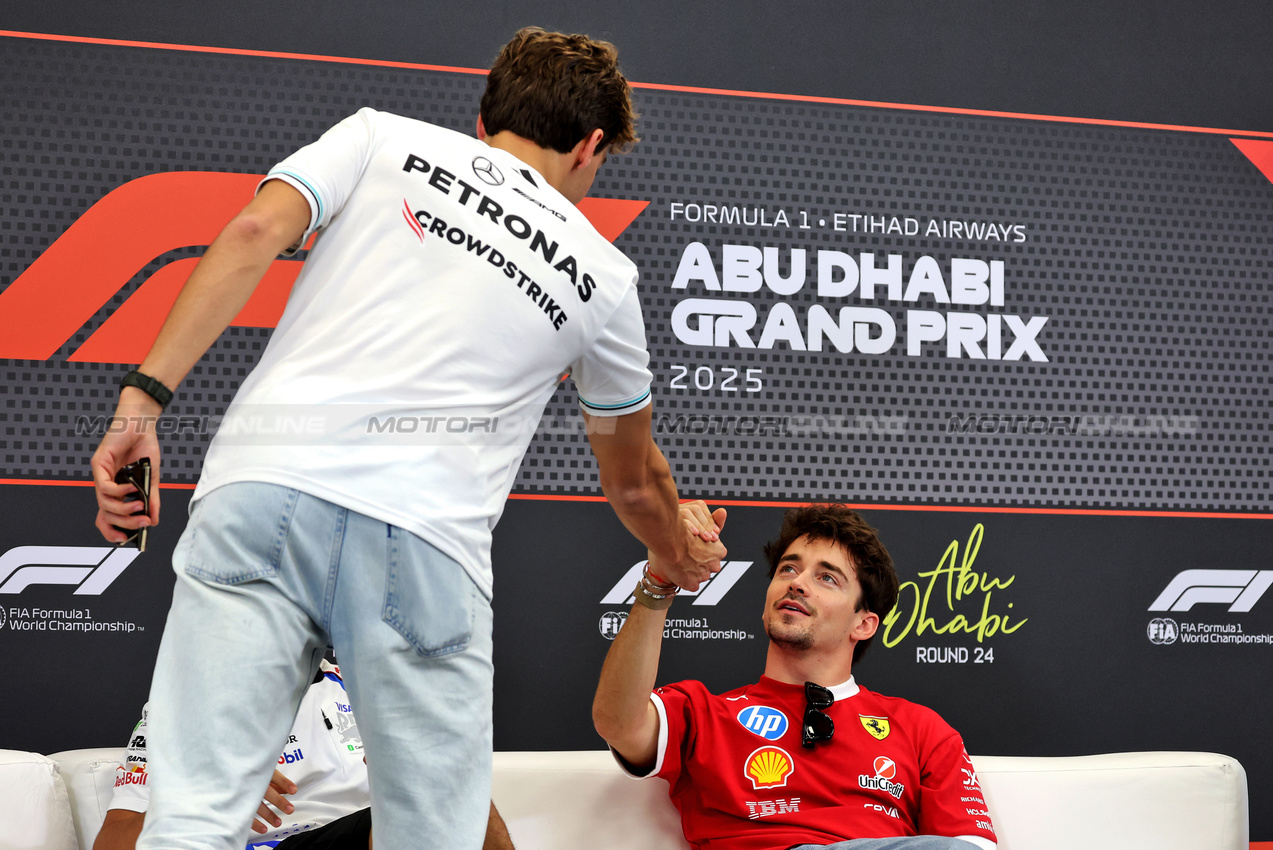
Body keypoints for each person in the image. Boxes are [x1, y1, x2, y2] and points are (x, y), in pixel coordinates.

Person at [90, 27, 725, 850]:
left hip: (258, 490)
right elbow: (633, 480)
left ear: (482, 117)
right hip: (423, 543)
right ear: (591, 144)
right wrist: (674, 549)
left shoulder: (380, 136)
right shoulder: (601, 277)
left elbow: (251, 234)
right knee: (433, 838)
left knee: (192, 816)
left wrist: (140, 405)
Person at [593, 502, 997, 850]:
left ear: (864, 624)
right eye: (788, 569)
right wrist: (661, 580)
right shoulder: (704, 713)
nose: (797, 583)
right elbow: (617, 722)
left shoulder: (923, 731)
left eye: (826, 577)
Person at [96, 660, 514, 850]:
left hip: (373, 833)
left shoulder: (373, 691)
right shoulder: (180, 708)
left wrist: (443, 771)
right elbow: (113, 842)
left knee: (450, 796)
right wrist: (212, 798)